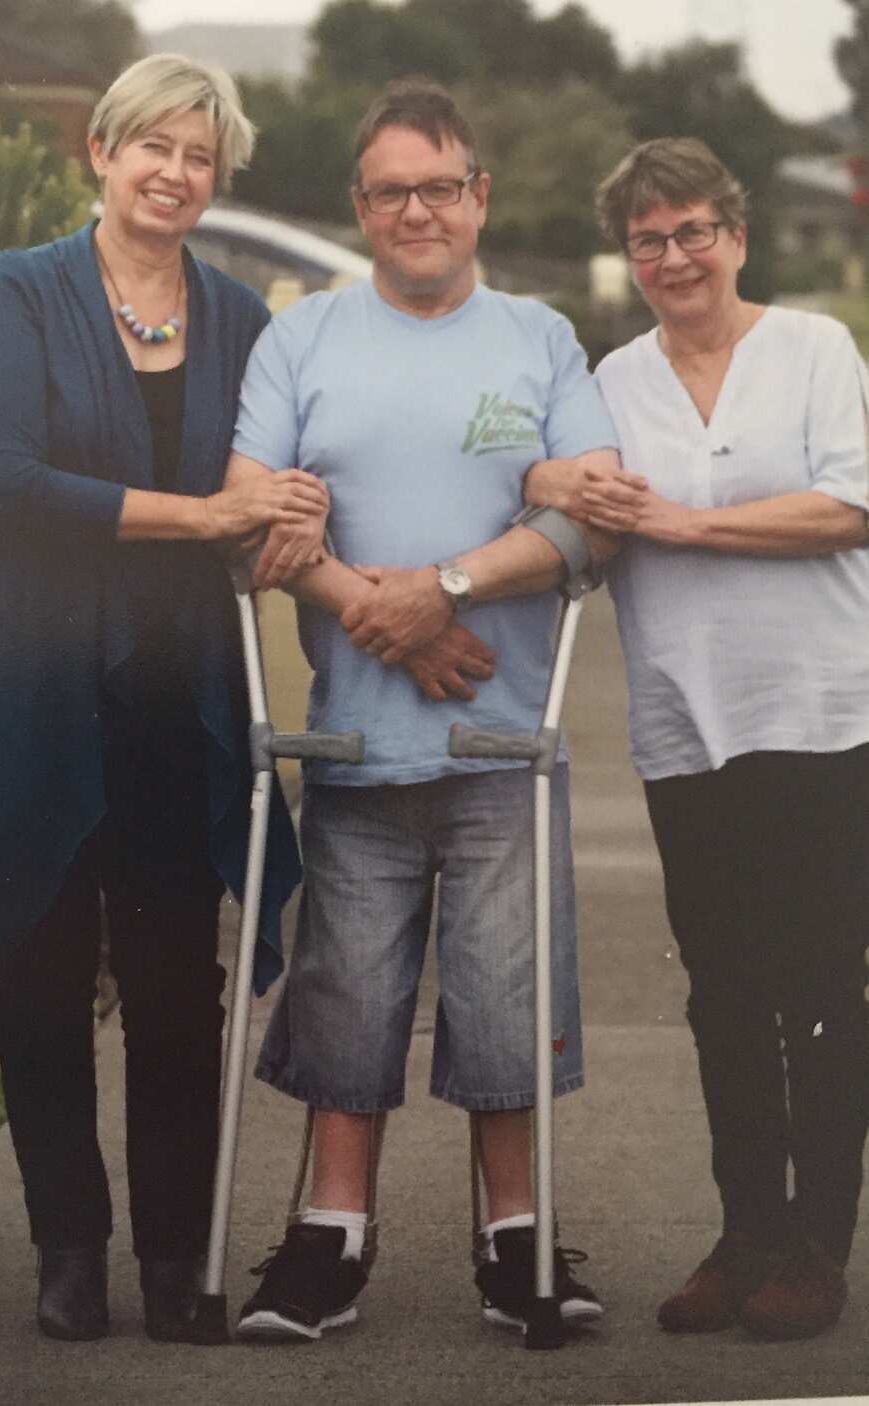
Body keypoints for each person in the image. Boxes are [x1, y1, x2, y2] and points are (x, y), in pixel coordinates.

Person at [0, 54, 324, 1342]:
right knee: (38, 973)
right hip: (28, 680)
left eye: (199, 155)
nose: (173, 171)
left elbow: (273, 479)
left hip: (173, 691)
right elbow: (6, 474)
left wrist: (287, 514)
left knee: (173, 985)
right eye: (151, 144)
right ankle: (69, 1249)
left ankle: (171, 1260)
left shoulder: (242, 315)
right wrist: (204, 512)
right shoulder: (21, 289)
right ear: (98, 151)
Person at [222, 78, 622, 1342]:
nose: (415, 211)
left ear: (476, 195)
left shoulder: (540, 337)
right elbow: (251, 520)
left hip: (503, 733)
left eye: (437, 187)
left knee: (505, 991)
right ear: (360, 204)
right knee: (347, 988)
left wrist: (447, 585)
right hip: (351, 735)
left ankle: (516, 1240)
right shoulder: (303, 341)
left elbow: (587, 514)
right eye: (390, 191)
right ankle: (328, 1239)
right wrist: (373, 610)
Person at [530, 135, 869, 1341]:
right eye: (647, 238)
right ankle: (744, 1233)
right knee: (722, 990)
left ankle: (815, 1244)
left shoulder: (813, 349)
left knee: (820, 985)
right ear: (627, 257)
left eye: (692, 231)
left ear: (734, 234)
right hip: (685, 723)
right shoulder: (613, 378)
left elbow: (846, 506)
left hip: (822, 712)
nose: (673, 255)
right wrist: (566, 490)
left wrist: (678, 518)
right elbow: (554, 481)